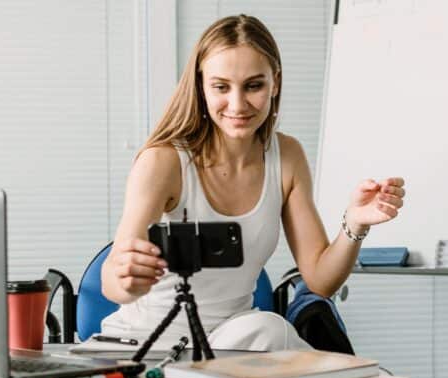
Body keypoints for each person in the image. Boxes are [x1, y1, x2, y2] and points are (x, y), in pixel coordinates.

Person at [100, 14, 405, 351]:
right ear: (201, 86)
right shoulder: (164, 161)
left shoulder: (286, 155)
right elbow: (112, 280)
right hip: (149, 344)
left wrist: (355, 223)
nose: (237, 104)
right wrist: (127, 278)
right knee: (273, 333)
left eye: (253, 86)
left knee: (271, 329)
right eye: (221, 87)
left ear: (275, 82)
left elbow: (319, 280)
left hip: (236, 341)